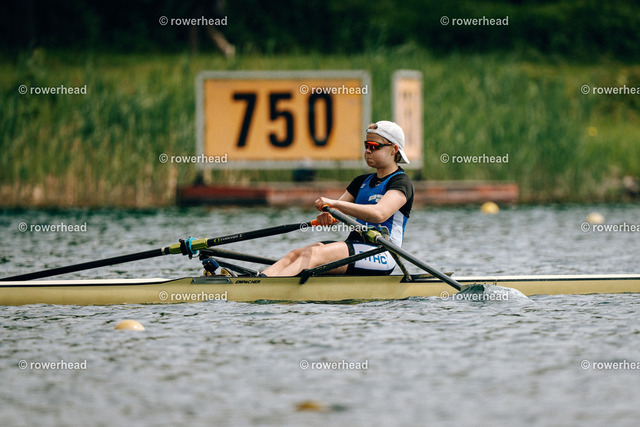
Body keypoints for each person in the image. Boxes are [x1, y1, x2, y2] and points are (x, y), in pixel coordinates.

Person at [262, 121, 414, 277]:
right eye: (366, 145)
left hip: (383, 253)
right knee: (294, 254)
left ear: (394, 149)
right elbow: (336, 213)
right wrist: (328, 216)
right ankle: (259, 281)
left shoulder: (401, 182)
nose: (368, 151)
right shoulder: (361, 181)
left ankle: (273, 286)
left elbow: (379, 214)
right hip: (356, 245)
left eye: (374, 146)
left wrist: (334, 203)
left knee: (314, 254)